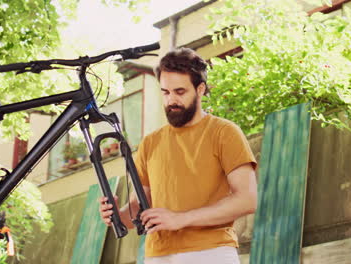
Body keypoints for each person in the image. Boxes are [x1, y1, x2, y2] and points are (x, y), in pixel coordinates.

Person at [99, 47, 258, 264]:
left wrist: (181, 219)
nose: (171, 100)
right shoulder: (150, 143)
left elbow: (247, 200)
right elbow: (139, 210)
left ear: (200, 89)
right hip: (158, 256)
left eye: (180, 92)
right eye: (165, 92)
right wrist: (117, 215)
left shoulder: (224, 132)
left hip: (212, 253)